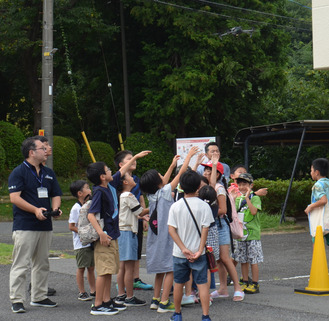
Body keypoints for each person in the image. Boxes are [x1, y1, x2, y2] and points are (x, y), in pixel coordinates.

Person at [86, 150, 150, 316]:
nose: (111, 173)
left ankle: (107, 300)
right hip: (105, 236)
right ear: (102, 176)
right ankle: (98, 304)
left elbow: (122, 171)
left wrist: (135, 158)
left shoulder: (111, 186)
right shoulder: (99, 191)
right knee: (103, 271)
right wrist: (100, 233)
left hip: (113, 234)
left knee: (109, 271)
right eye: (108, 170)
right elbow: (91, 214)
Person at [140, 146, 198, 313]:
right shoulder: (165, 192)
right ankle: (165, 302)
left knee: (160, 270)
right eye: (159, 175)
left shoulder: (152, 195)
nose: (162, 176)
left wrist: (172, 165)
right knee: (170, 269)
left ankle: (156, 298)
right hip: (167, 237)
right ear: (157, 183)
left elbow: (165, 181)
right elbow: (179, 177)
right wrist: (188, 157)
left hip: (155, 237)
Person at [8, 137, 62, 313]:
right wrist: (35, 210)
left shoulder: (48, 172)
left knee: (42, 263)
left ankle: (39, 296)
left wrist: (55, 209)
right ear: (32, 152)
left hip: (45, 225)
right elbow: (14, 198)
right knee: (21, 264)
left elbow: (56, 194)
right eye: (42, 148)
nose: (46, 150)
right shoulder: (19, 172)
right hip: (25, 225)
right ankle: (17, 300)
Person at [168, 170, 214, 321]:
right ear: (198, 188)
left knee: (178, 283)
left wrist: (183, 248)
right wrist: (200, 249)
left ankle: (177, 314)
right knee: (202, 284)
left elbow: (171, 230)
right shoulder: (204, 206)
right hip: (198, 253)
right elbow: (205, 229)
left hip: (179, 253)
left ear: (180, 186)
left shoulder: (175, 206)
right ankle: (205, 316)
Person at [202, 157, 245, 302]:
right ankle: (223, 289)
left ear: (218, 174)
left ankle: (238, 288)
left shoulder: (218, 188)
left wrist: (206, 211)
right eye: (205, 170)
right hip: (211, 226)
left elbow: (223, 210)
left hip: (220, 226)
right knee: (219, 260)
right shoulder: (206, 187)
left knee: (225, 258)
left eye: (209, 170)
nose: (206, 172)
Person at [114, 150, 152, 290]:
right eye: (130, 159)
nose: (134, 161)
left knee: (133, 256)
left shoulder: (133, 181)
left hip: (135, 222)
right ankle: (126, 291)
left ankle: (130, 284)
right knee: (125, 263)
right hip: (126, 227)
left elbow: (140, 199)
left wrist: (144, 218)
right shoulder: (119, 183)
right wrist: (155, 206)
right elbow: (140, 209)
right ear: (121, 164)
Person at [115, 173, 149, 306]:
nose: (133, 178)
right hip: (128, 232)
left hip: (122, 231)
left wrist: (141, 216)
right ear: (124, 182)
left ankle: (121, 294)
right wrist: (155, 206)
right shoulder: (128, 195)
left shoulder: (121, 196)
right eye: (129, 177)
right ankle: (130, 297)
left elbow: (133, 213)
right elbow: (140, 211)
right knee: (129, 267)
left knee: (122, 266)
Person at [234, 173, 263, 294]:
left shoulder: (255, 198)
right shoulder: (237, 198)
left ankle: (255, 283)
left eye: (244, 184)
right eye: (239, 184)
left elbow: (253, 211)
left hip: (252, 235)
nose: (241, 187)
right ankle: (244, 281)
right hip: (241, 234)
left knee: (253, 260)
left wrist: (247, 198)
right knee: (243, 259)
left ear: (251, 185)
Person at [68, 180, 96, 301]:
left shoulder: (89, 205)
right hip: (81, 244)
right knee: (81, 267)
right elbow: (71, 226)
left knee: (91, 267)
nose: (90, 190)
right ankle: (82, 291)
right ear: (80, 193)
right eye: (87, 188)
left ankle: (93, 290)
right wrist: (83, 233)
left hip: (90, 241)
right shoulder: (76, 208)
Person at [304, 158, 329, 245]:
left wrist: (310, 206)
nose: (310, 173)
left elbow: (323, 200)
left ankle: (318, 259)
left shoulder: (318, 185)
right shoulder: (328, 183)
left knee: (317, 241)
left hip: (321, 219)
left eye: (311, 170)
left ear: (317, 172)